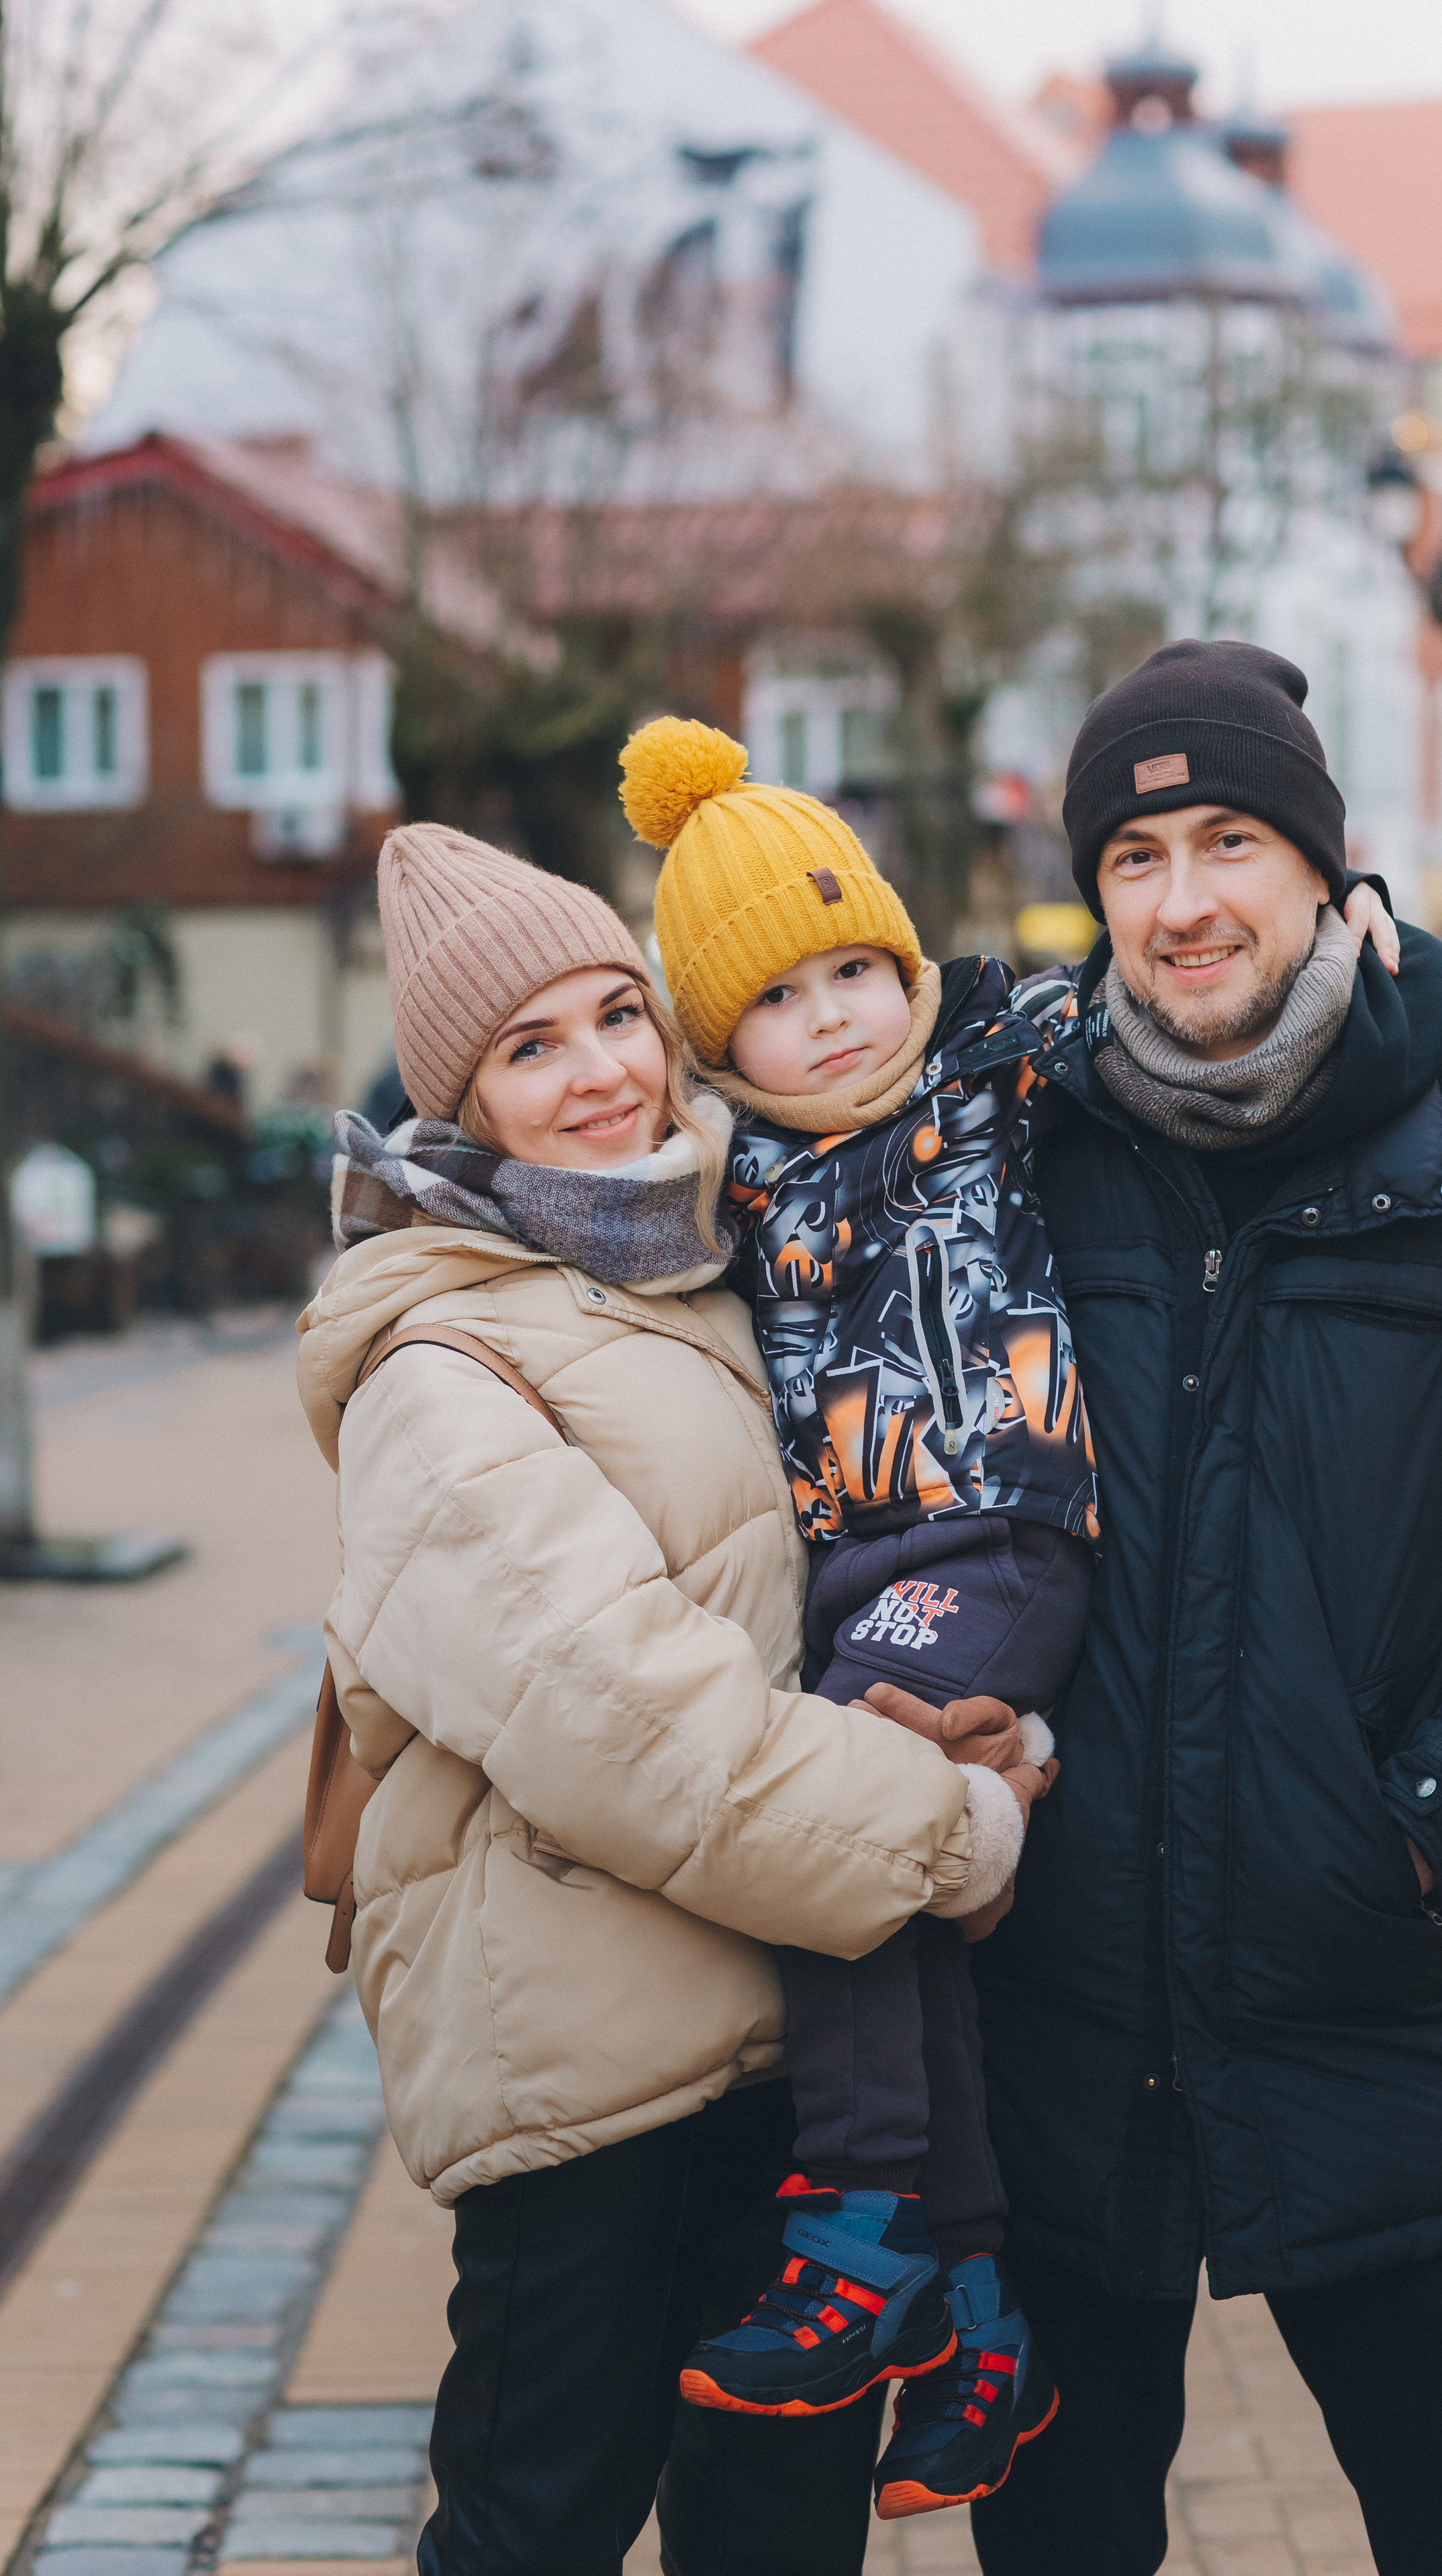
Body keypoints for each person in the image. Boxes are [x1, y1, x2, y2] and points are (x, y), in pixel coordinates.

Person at [965, 637, 1442, 2576]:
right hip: (1052, 2010)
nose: (1183, 899)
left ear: (1319, 865)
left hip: (1371, 1982)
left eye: (1227, 840)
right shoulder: (1017, 1146)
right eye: (1134, 855)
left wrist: (1425, 1832)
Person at [616, 714, 1393, 2521]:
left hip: (1009, 1530)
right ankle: (976, 2305)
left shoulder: (986, 1068)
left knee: (833, 1823)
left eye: (855, 970)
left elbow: (1188, 1008)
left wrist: (1385, 944)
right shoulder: (734, 1184)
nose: (837, 1019)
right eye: (779, 1001)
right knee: (904, 1906)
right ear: (718, 1041)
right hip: (853, 1573)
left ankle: (868, 2205)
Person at [296, 820, 1051, 2576]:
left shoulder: (713, 1267)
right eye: (529, 1049)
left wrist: (984, 1707)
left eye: (617, 1017)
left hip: (789, 2032)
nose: (598, 1077)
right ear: (460, 1103)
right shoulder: (440, 1358)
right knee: (535, 2529)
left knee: (775, 2541)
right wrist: (960, 1830)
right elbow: (634, 1731)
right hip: (584, 2077)